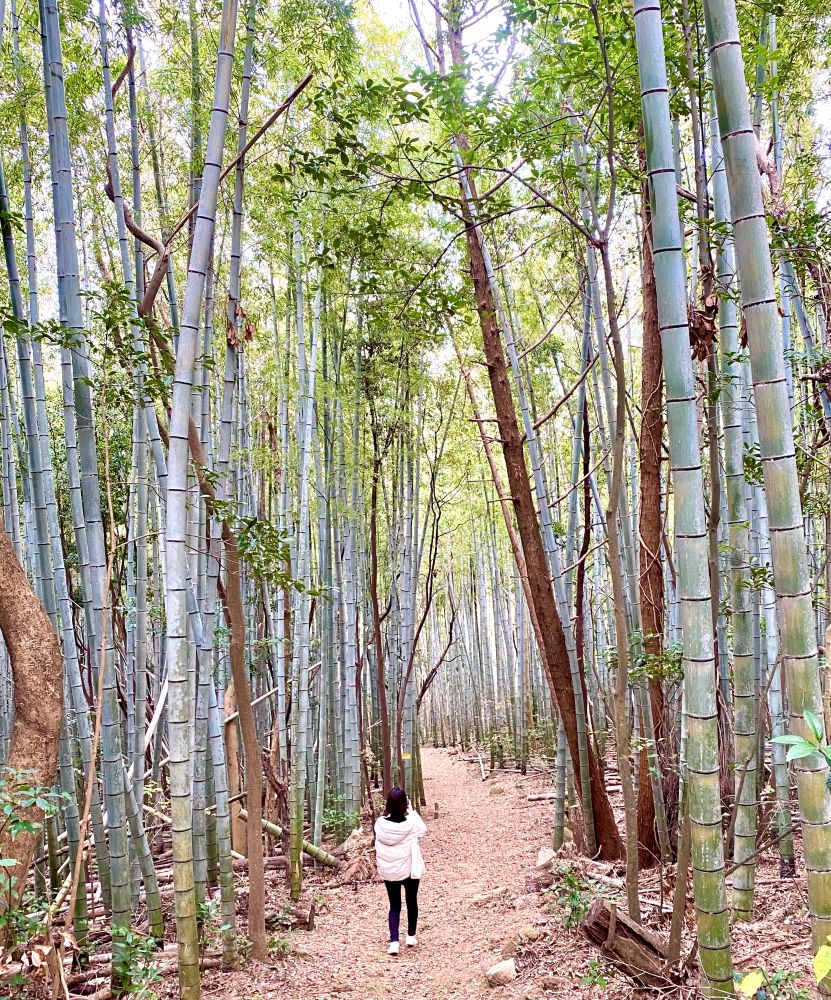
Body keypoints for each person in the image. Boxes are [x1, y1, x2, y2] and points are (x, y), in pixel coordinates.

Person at [374, 787, 427, 955]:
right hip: (409, 870)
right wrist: (411, 810)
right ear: (405, 804)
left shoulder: (379, 824)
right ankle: (411, 936)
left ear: (388, 804)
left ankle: (394, 942)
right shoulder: (411, 824)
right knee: (411, 901)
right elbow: (423, 830)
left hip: (389, 871)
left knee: (394, 904)